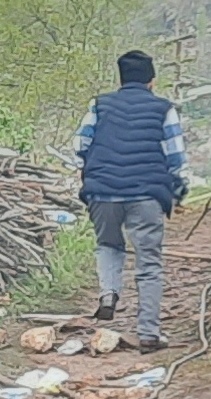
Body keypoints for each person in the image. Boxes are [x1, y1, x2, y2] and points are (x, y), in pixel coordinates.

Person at [73, 51, 188, 349]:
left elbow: (80, 144)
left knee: (108, 244)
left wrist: (94, 168)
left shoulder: (100, 104)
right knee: (149, 262)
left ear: (121, 79)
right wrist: (174, 183)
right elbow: (175, 156)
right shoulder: (164, 108)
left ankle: (109, 294)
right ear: (152, 81)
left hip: (103, 191)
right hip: (147, 194)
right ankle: (149, 332)